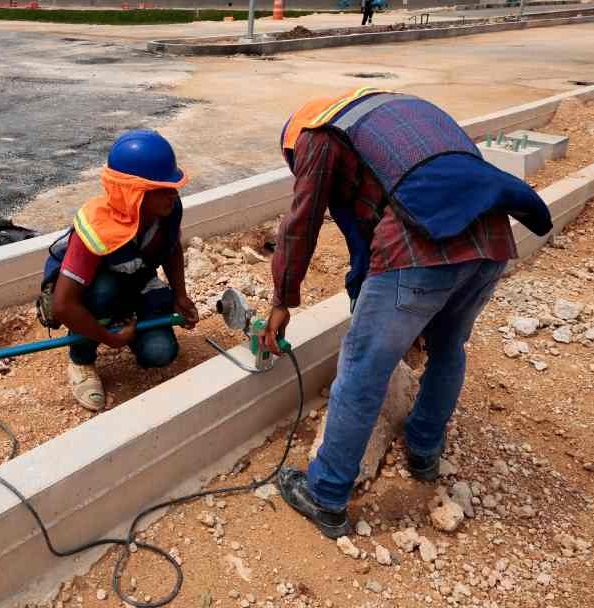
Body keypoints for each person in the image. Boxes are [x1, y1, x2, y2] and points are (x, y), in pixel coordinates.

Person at [259, 88, 551, 538]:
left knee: (362, 368)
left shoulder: (316, 137)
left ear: (293, 144)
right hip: (491, 240)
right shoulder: (393, 114)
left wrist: (282, 300)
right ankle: (424, 451)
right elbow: (370, 227)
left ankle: (326, 495)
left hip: (422, 246)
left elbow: (302, 223)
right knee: (448, 347)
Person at [41, 130, 200, 411]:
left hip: (135, 281)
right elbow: (64, 305)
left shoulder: (168, 211)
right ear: (132, 193)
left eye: (172, 186)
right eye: (161, 189)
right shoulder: (95, 229)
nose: (173, 195)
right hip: (90, 294)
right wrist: (111, 340)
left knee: (161, 353)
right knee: (103, 292)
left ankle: (126, 323)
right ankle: (81, 360)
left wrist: (179, 294)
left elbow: (172, 247)